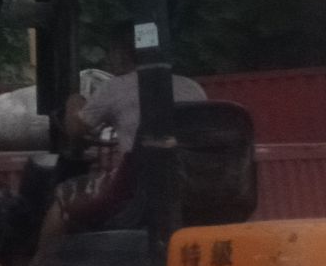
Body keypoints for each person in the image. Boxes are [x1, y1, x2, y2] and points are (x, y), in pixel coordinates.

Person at [48, 25, 207, 235]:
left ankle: (42, 256)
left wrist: (73, 101)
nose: (108, 59)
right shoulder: (192, 87)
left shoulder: (116, 87)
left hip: (137, 190)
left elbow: (75, 128)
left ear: (122, 53)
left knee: (62, 198)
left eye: (111, 51)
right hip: (195, 185)